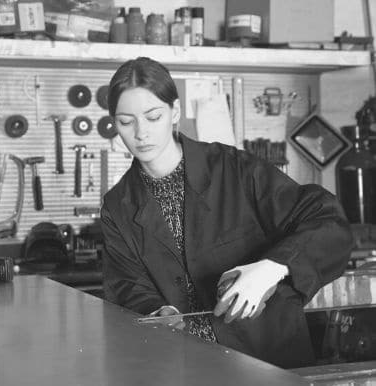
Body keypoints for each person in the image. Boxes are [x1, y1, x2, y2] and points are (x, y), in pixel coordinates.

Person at [101, 56, 353, 369]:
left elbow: (328, 221)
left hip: (268, 363)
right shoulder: (117, 206)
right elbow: (128, 286)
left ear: (175, 112)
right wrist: (156, 311)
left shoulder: (235, 169)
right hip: (185, 367)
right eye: (126, 122)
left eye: (153, 117)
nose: (141, 133)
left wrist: (274, 266)